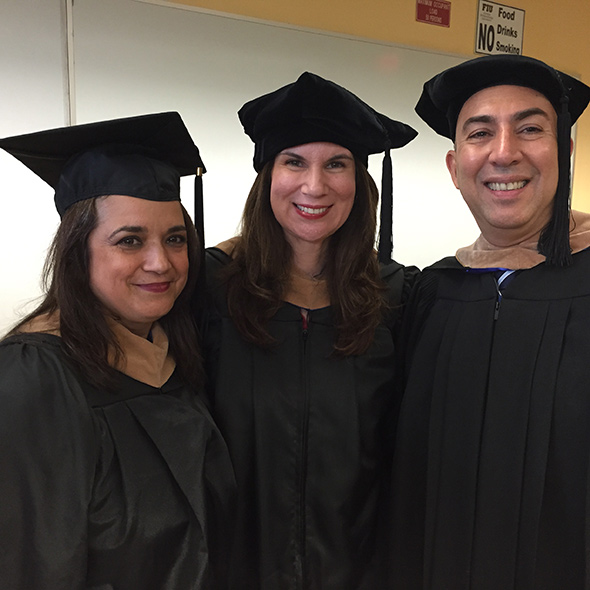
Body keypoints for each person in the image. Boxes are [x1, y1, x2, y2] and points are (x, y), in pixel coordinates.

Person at [200, 72, 418, 589]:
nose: (314, 185)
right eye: (293, 161)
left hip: (358, 572)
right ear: (267, 178)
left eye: (336, 164)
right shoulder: (209, 291)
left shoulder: (399, 297)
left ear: (360, 182)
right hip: (232, 572)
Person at [0, 112, 235, 589]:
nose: (160, 263)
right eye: (129, 241)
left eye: (175, 239)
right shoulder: (36, 377)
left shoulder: (172, 352)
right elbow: (32, 565)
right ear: (77, 250)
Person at [389, 55, 590, 588]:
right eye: (481, 133)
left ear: (565, 153)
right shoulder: (433, 293)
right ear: (456, 169)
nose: (505, 152)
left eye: (530, 128)